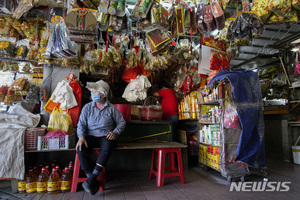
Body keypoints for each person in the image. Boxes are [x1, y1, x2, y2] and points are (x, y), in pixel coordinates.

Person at [76, 80, 126, 195]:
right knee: (80, 148)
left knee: (109, 145)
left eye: (95, 91)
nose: (92, 93)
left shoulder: (112, 108)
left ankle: (91, 179)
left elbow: (121, 123)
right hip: (89, 136)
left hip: (105, 136)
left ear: (103, 94)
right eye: (92, 90)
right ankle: (92, 180)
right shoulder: (87, 107)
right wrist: (81, 137)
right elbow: (81, 124)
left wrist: (115, 132)